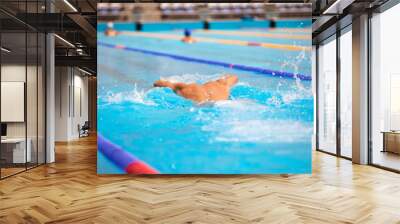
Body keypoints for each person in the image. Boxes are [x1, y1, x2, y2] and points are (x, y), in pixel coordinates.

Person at [153, 75, 238, 103]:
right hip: (220, 103)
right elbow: (234, 77)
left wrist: (158, 82)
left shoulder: (194, 88)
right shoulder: (224, 87)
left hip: (198, 96)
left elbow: (159, 83)